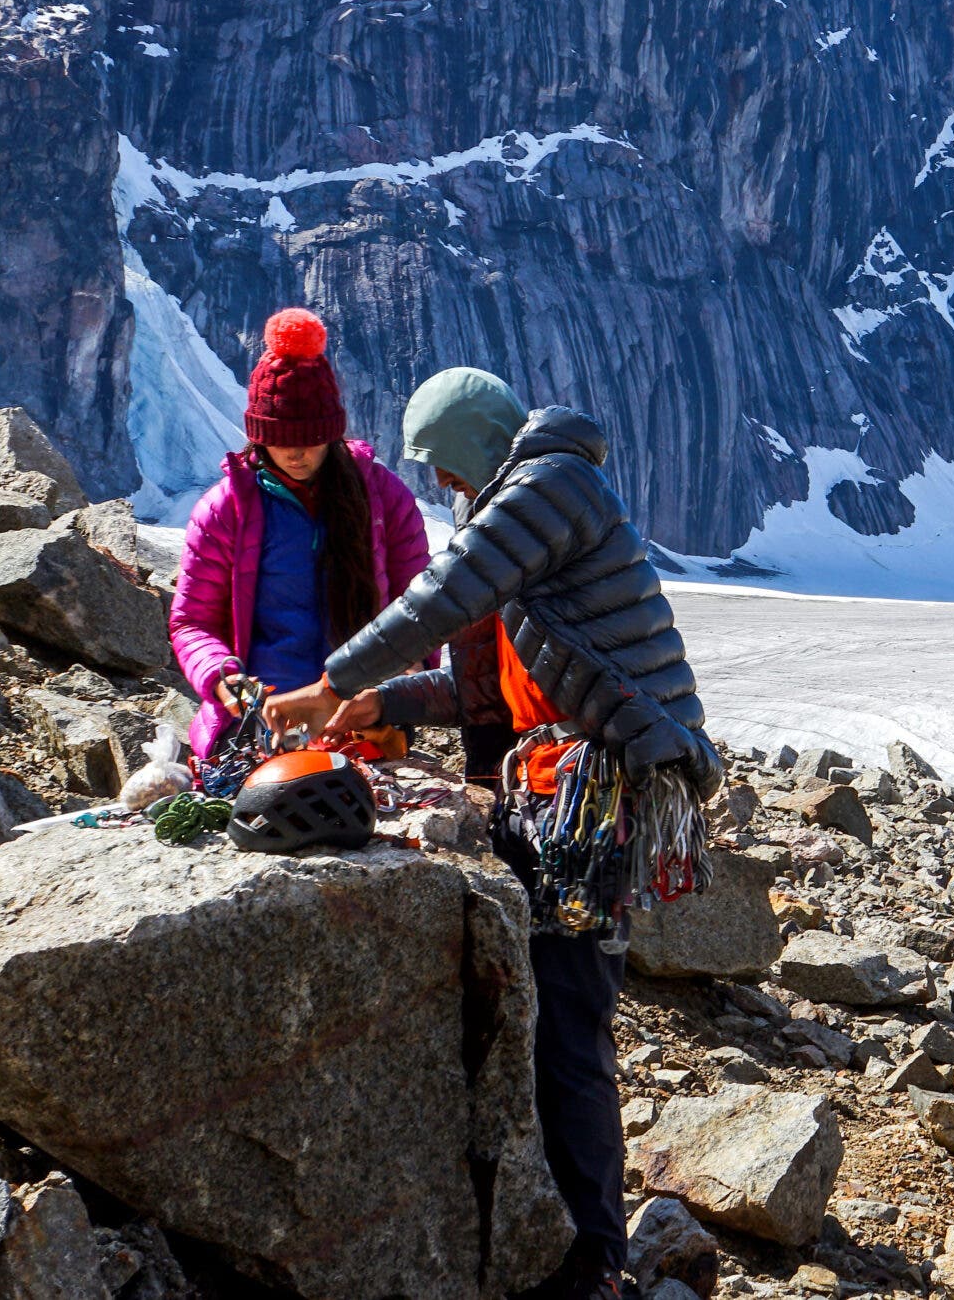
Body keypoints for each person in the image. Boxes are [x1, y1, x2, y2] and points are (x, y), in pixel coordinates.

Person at [265, 368, 719, 1300]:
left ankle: (593, 1260)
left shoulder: (551, 486)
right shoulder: (530, 529)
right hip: (548, 801)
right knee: (543, 1014)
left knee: (568, 1023)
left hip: (588, 806)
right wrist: (377, 700)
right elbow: (495, 697)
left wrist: (330, 677)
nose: (443, 489)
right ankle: (547, 1235)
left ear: (475, 444)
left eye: (442, 467)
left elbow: (443, 595)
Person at [167, 308, 429, 762]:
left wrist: (413, 668)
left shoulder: (383, 498)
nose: (295, 452)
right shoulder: (224, 509)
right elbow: (193, 621)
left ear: (331, 433)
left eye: (309, 438)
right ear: (258, 435)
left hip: (362, 719)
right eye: (280, 437)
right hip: (260, 723)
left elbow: (423, 603)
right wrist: (220, 674)